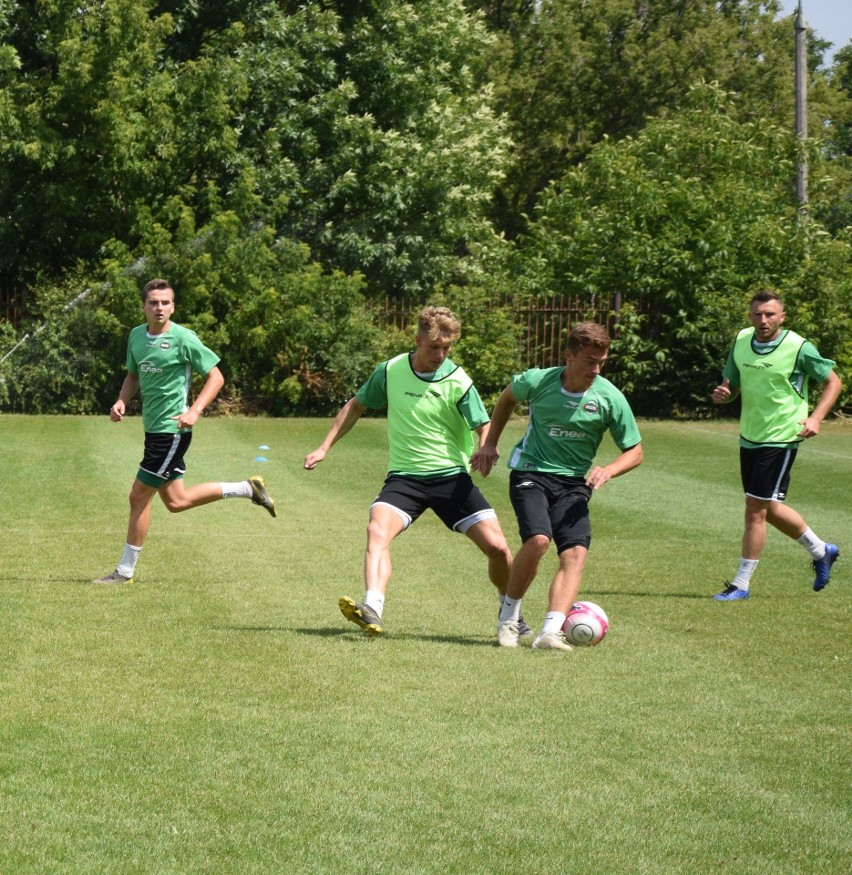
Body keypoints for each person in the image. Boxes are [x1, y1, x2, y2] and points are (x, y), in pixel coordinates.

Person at [303, 305, 521, 638]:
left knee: (499, 548)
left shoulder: (457, 380)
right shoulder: (391, 370)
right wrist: (324, 447)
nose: (441, 354)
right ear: (418, 340)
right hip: (405, 479)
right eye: (434, 347)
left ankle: (511, 614)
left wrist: (486, 446)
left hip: (451, 478)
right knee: (377, 531)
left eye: (447, 348)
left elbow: (482, 424)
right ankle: (372, 608)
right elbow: (356, 405)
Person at [471, 321, 643, 652]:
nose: (595, 369)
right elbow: (507, 398)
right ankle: (509, 618)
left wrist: (608, 469)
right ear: (569, 355)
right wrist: (490, 443)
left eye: (601, 362)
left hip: (574, 483)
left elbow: (635, 451)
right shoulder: (537, 381)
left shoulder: (609, 397)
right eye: (589, 361)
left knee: (576, 552)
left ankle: (551, 631)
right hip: (531, 473)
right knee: (538, 540)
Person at [92, 278, 276, 584]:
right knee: (177, 501)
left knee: (138, 497)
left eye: (165, 302)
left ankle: (124, 572)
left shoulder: (183, 338)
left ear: (173, 306)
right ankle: (248, 488)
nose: (159, 308)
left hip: (171, 431)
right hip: (153, 430)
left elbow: (216, 377)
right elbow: (133, 375)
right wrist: (121, 400)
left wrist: (194, 411)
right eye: (153, 302)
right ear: (144, 306)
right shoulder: (136, 336)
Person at [710, 289, 841, 600]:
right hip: (749, 435)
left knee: (755, 508)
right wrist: (724, 395)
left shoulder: (798, 347)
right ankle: (822, 550)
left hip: (782, 436)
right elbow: (732, 386)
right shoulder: (742, 341)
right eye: (758, 314)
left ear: (782, 316)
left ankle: (740, 584)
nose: (763, 319)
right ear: (750, 316)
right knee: (767, 507)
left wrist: (816, 418)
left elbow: (833, 381)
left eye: (770, 314)